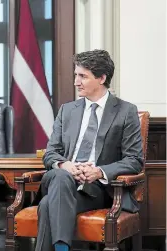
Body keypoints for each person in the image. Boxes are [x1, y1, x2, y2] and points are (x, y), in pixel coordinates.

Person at [35, 50, 143, 251]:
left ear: (102, 78)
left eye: (83, 76)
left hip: (96, 189)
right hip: (63, 178)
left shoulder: (125, 111)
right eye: (76, 75)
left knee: (48, 204)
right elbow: (51, 153)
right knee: (60, 176)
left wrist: (99, 172)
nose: (76, 82)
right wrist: (66, 165)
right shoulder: (67, 110)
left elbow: (134, 160)